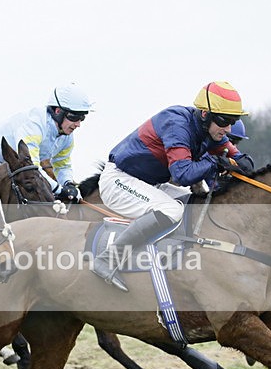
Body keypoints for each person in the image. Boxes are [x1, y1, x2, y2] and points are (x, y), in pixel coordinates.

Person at [94, 81, 253, 291]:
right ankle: (108, 259)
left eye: (234, 121)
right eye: (224, 121)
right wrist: (216, 162)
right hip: (119, 180)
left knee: (194, 203)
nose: (228, 129)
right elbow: (183, 174)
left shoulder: (213, 133)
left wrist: (233, 164)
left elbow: (247, 164)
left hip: (148, 183)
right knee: (172, 209)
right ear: (205, 114)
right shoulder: (177, 123)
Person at [0, 82, 92, 203]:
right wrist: (59, 189)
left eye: (82, 118)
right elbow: (32, 169)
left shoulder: (66, 136)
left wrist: (69, 184)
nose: (78, 124)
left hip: (17, 168)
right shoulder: (34, 125)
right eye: (74, 117)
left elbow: (62, 165)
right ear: (58, 111)